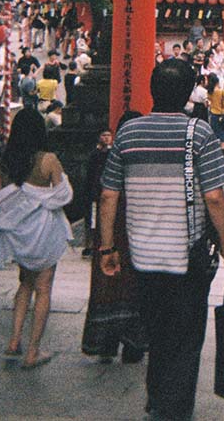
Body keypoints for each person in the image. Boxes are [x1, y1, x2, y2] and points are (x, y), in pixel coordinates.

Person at [98, 58, 224, 421]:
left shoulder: (128, 134)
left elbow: (109, 194)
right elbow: (213, 197)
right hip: (185, 257)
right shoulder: (200, 133)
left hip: (143, 257)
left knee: (157, 332)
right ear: (189, 93)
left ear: (152, 90)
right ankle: (171, 410)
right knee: (187, 338)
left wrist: (107, 247)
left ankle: (156, 398)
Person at [0, 108, 73, 369]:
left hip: (20, 233)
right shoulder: (48, 160)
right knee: (43, 290)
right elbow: (63, 195)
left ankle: (14, 342)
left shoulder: (5, 161)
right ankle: (33, 352)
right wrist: (40, 199)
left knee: (24, 285)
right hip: (44, 231)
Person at [81, 112, 145, 364]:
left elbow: (101, 195)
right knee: (133, 284)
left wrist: (103, 243)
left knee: (107, 285)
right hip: (134, 231)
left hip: (108, 230)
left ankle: (106, 343)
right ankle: (133, 344)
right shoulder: (141, 161)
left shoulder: (106, 158)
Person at [82, 129, 114, 258]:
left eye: (108, 135)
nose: (106, 138)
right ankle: (89, 244)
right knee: (92, 219)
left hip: (107, 187)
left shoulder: (113, 154)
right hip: (95, 188)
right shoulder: (94, 154)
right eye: (103, 135)